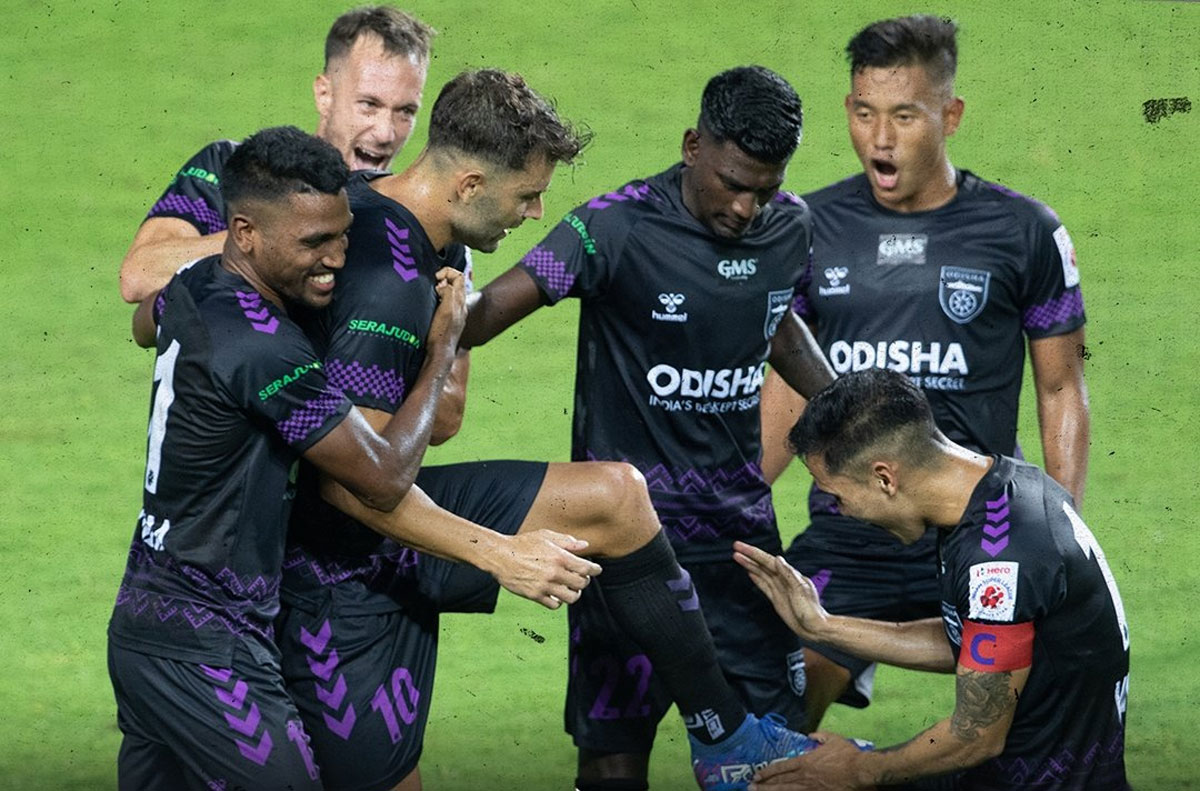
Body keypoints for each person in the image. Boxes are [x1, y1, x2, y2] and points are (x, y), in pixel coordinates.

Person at [273, 69, 819, 791]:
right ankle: (728, 734)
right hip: (343, 557)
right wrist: (501, 553)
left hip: (391, 520)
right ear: (470, 185)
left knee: (616, 497)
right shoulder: (392, 276)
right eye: (528, 195)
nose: (537, 214)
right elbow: (356, 480)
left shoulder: (394, 228)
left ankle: (725, 734)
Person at [459, 66, 836, 791]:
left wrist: (846, 407)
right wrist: (436, 265)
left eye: (764, 187)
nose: (747, 207)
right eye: (732, 182)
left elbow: (775, 319)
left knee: (777, 760)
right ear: (693, 145)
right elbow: (479, 318)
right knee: (612, 760)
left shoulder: (791, 226)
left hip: (741, 549)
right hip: (626, 551)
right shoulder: (609, 228)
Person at [107, 125, 512, 790]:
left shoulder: (196, 287)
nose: (339, 257)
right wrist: (442, 346)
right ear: (245, 233)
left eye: (343, 233)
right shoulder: (266, 350)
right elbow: (380, 477)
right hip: (210, 649)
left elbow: (143, 319)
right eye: (315, 242)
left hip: (148, 625)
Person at [757, 14, 1090, 727]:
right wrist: (737, 496)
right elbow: (788, 379)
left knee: (1023, 729)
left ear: (950, 113)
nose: (880, 137)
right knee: (777, 703)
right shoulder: (807, 226)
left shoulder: (1025, 231)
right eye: (864, 112)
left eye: (904, 115)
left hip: (983, 526)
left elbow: (1061, 386)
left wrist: (1059, 535)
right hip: (853, 525)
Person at [735, 369, 1128, 790]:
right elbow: (977, 642)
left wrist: (858, 769)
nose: (842, 512)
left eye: (838, 496)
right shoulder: (1005, 487)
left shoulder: (996, 561)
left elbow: (975, 737)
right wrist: (823, 626)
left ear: (884, 478)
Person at [118, 5, 435, 306]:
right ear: (325, 95)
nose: (386, 133)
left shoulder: (417, 219)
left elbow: (452, 347)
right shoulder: (234, 170)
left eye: (406, 111)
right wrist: (284, 233)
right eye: (369, 105)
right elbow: (139, 276)